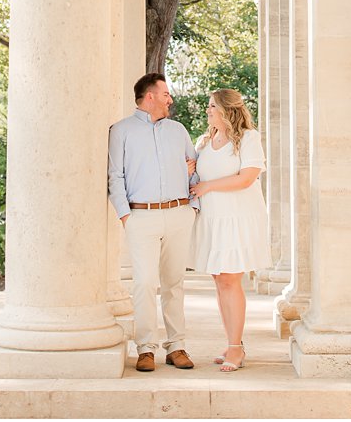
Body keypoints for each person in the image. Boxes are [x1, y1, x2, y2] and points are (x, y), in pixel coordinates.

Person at [108, 72, 200, 373]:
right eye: (165, 94)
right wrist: (125, 215)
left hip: (178, 213)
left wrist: (193, 207)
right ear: (149, 97)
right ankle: (145, 348)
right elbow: (115, 176)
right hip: (140, 216)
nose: (169, 99)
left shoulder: (178, 130)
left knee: (174, 282)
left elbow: (195, 168)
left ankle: (177, 346)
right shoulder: (121, 131)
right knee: (144, 282)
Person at [190, 88, 267, 372]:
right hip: (212, 218)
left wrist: (207, 186)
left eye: (212, 105)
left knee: (231, 279)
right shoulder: (204, 141)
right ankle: (232, 342)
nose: (208, 110)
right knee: (220, 281)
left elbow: (247, 178)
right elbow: (196, 174)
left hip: (237, 217)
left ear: (226, 109)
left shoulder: (248, 138)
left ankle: (236, 348)